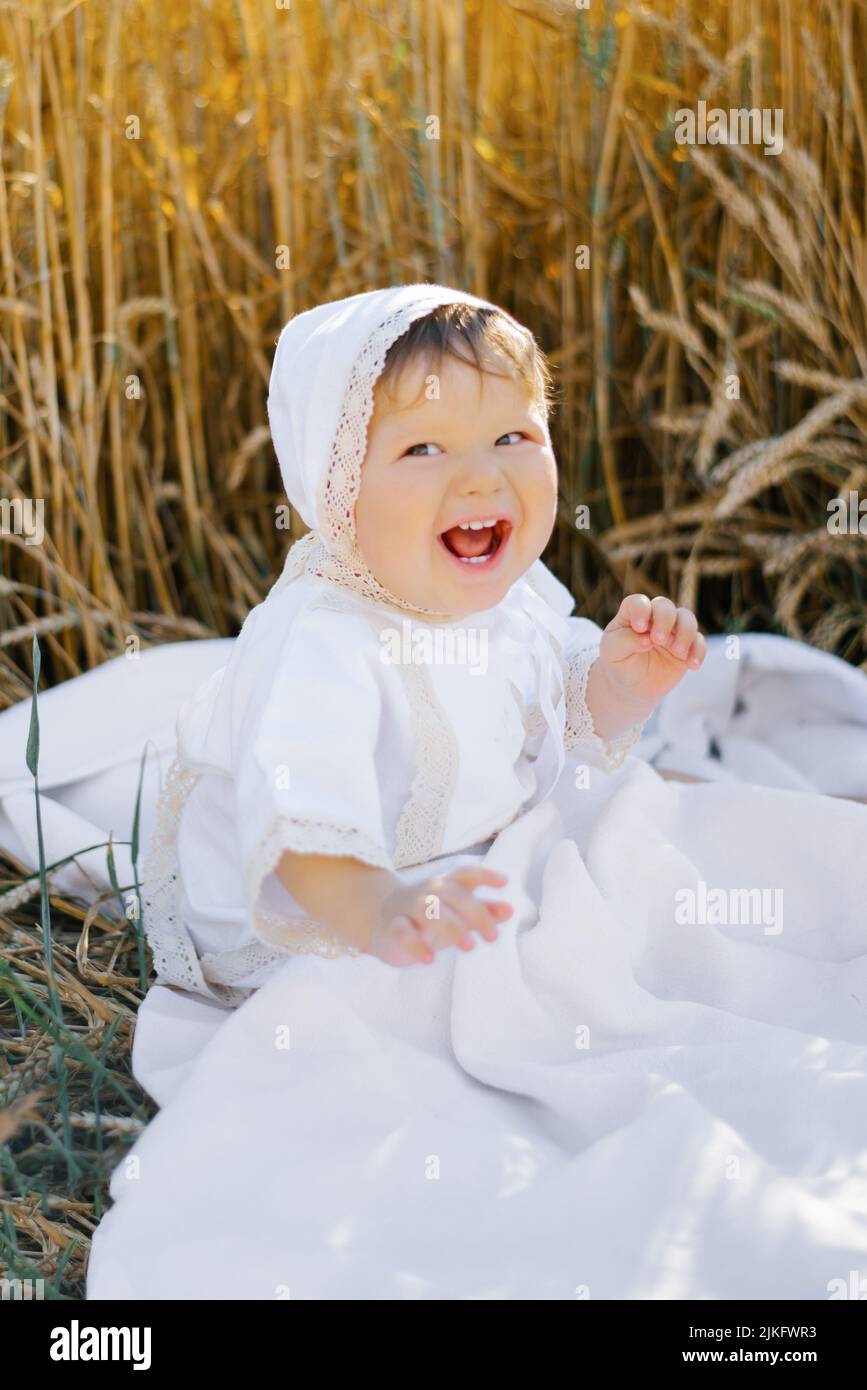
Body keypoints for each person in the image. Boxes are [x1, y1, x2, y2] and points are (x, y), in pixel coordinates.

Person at [15, 282, 867, 1298]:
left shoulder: (513, 600)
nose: (482, 476)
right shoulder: (321, 649)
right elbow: (301, 830)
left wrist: (617, 686)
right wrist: (381, 906)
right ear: (336, 490)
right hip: (338, 911)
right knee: (427, 1056)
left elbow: (553, 714)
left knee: (666, 870)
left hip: (462, 868)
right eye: (423, 450)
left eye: (514, 434)